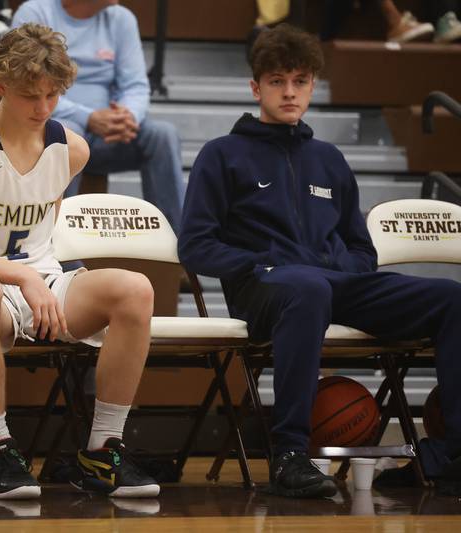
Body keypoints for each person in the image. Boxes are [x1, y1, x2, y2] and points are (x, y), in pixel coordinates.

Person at [178, 24, 461, 498]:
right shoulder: (221, 155)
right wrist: (260, 263)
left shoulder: (329, 159)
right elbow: (196, 246)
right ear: (256, 87)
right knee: (308, 288)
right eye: (276, 81)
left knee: (452, 298)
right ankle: (290, 453)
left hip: (336, 285)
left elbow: (362, 249)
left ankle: (452, 453)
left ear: (312, 86)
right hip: (267, 290)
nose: (290, 92)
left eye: (300, 81)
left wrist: (341, 269)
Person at [0, 22, 159, 499]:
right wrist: (20, 277)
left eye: (53, 95)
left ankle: (101, 453)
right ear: (1, 87)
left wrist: (36, 279)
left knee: (136, 288)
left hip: (42, 280)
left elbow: (40, 234)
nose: (44, 108)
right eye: (31, 95)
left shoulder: (72, 149)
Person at [11, 0, 184, 233]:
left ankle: (177, 248)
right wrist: (88, 117)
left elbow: (135, 86)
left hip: (110, 136)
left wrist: (127, 116)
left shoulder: (122, 19)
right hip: (51, 129)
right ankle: (54, 241)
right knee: (66, 132)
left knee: (163, 134)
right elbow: (25, 85)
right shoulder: (35, 12)